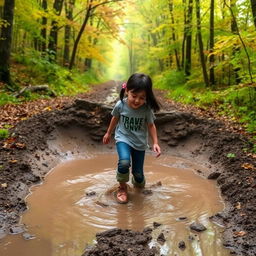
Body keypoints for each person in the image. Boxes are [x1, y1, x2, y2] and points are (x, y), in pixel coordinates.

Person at [103, 73, 161, 204]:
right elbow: (115, 118)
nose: (137, 101)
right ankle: (122, 188)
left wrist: (155, 143)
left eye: (142, 98)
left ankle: (138, 186)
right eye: (134, 96)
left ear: (147, 97)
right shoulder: (121, 105)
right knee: (124, 162)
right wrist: (108, 133)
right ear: (127, 91)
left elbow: (151, 125)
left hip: (140, 144)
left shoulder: (146, 110)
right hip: (123, 138)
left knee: (138, 175)